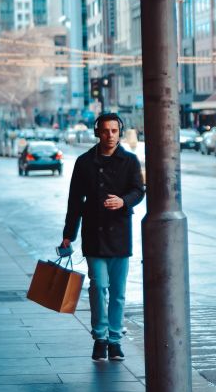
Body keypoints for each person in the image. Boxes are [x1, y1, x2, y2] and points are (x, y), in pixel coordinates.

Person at [60, 113, 144, 362]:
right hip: (94, 234)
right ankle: (100, 338)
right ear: (98, 132)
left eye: (114, 131)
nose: (110, 135)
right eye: (105, 131)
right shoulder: (84, 162)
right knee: (98, 287)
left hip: (120, 234)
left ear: (120, 132)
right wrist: (68, 235)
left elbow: (139, 190)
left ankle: (115, 340)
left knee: (118, 292)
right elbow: (74, 201)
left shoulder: (129, 161)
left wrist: (123, 201)